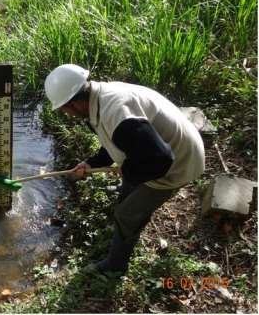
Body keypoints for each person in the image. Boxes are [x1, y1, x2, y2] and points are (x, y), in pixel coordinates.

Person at [44, 64, 205, 275]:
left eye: (64, 109)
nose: (67, 115)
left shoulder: (116, 112)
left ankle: (115, 267)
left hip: (179, 163)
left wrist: (128, 171)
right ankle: (134, 212)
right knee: (129, 190)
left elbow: (160, 159)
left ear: (74, 103)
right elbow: (117, 140)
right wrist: (91, 164)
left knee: (126, 214)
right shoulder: (99, 98)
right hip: (157, 149)